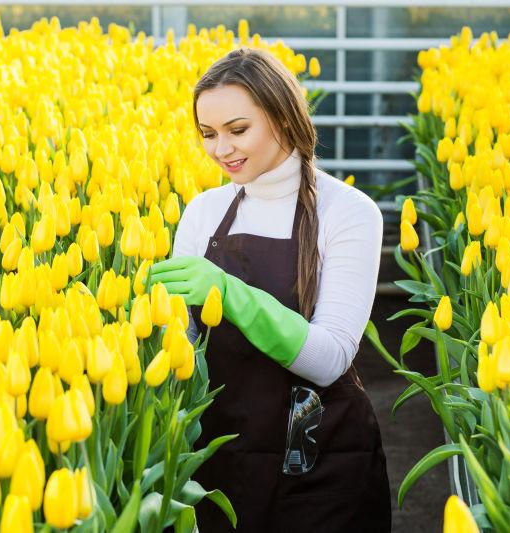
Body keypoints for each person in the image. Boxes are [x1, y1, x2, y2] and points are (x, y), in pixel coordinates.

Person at [149, 47, 391, 532]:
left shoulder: (349, 212)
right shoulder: (204, 212)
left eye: (238, 130)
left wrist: (229, 292)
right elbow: (185, 349)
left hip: (320, 459)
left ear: (283, 116)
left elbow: (329, 358)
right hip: (223, 455)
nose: (221, 150)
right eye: (208, 135)